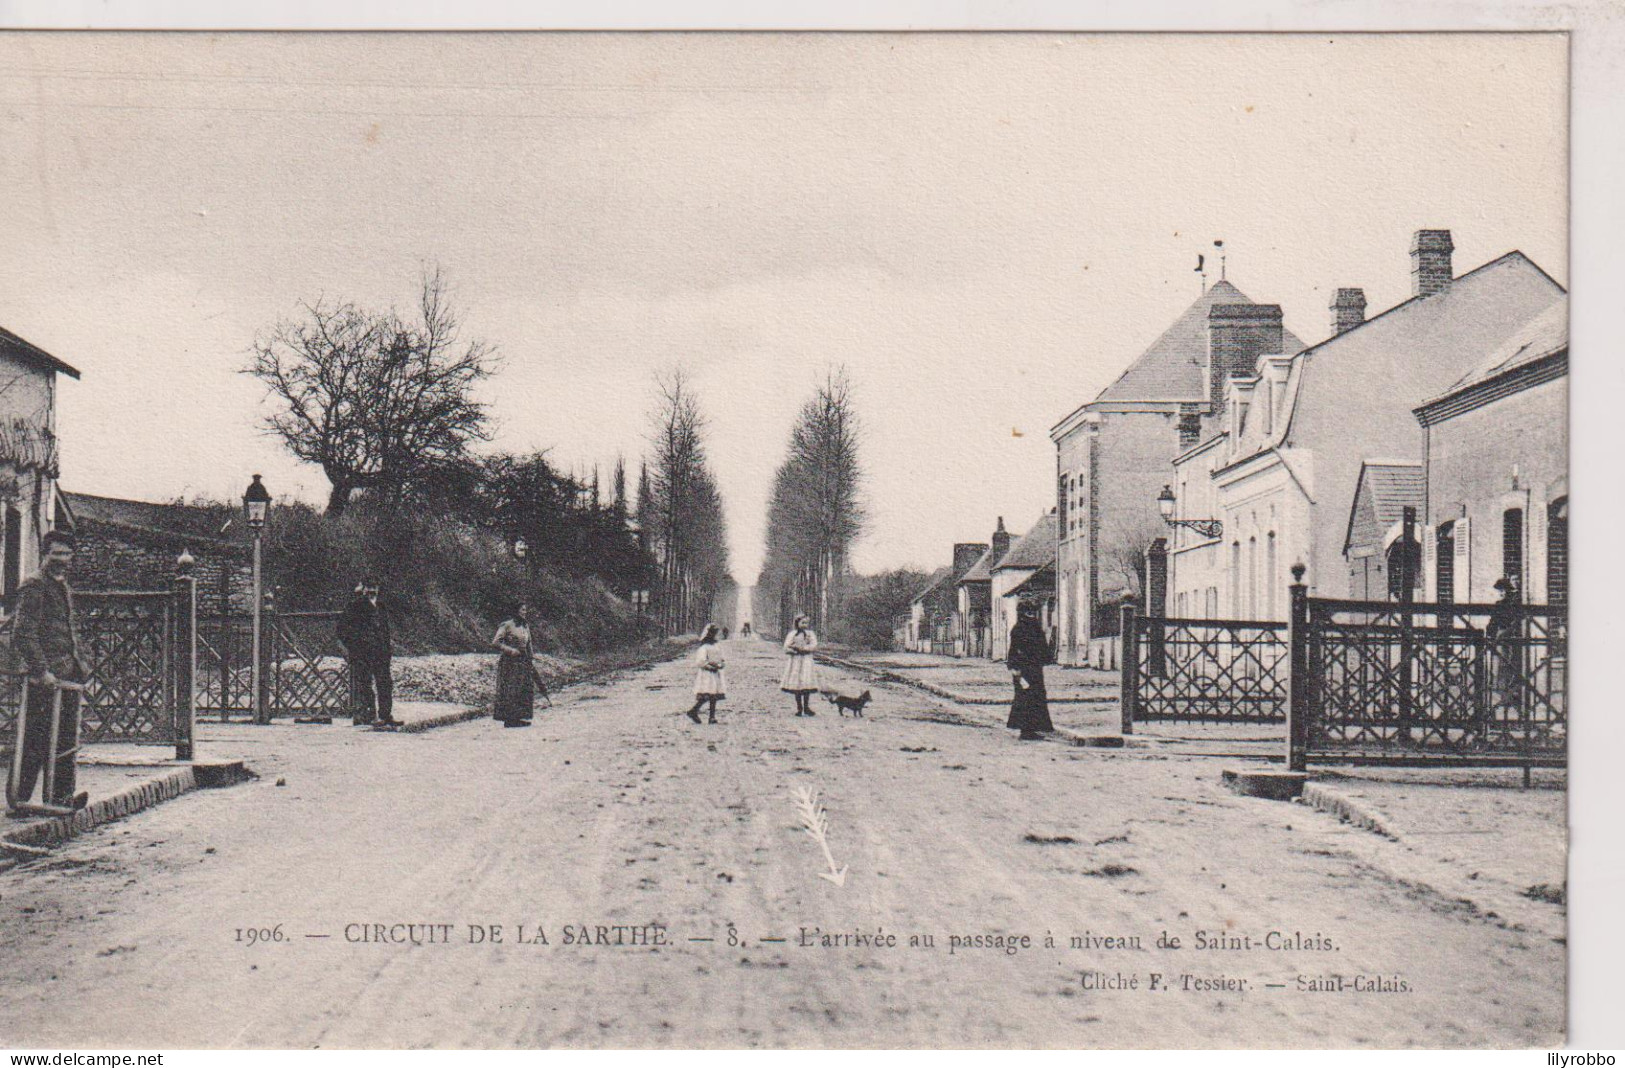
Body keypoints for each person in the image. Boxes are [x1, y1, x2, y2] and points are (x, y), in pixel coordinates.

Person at [10, 529, 89, 811]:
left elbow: (67, 631)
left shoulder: (62, 587)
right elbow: (23, 633)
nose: (62, 559)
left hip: (66, 674)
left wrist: (80, 666)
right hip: (43, 677)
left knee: (66, 737)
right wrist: (41, 670)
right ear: (45, 554)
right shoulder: (34, 585)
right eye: (56, 553)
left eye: (67, 554)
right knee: (35, 737)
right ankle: (19, 798)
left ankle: (61, 797)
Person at [337, 577, 398, 727]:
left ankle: (385, 715)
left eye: (374, 587)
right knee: (365, 684)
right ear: (363, 589)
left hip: (381, 653)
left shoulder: (381, 606)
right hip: (363, 653)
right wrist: (353, 646)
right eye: (369, 587)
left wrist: (387, 648)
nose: (372, 591)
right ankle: (370, 716)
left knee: (385, 683)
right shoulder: (355, 606)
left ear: (378, 589)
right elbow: (342, 629)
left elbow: (385, 630)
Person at [1006, 599, 1055, 741]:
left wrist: (1044, 657)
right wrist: (1015, 668)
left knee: (1034, 697)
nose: (1031, 614)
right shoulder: (1021, 628)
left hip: (1032, 668)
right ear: (1022, 613)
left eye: (1032, 611)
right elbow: (1014, 650)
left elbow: (1042, 647)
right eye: (1028, 611)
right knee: (1026, 698)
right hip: (1024, 669)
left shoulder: (1030, 627)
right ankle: (1026, 730)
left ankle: (1031, 729)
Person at [492, 602, 536, 728]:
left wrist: (531, 657)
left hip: (523, 661)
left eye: (525, 610)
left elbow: (529, 643)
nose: (525, 612)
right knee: (511, 689)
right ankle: (509, 719)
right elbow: (495, 642)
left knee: (523, 688)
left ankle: (519, 717)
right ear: (516, 611)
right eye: (522, 610)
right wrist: (511, 651)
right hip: (509, 662)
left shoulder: (525, 626)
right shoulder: (507, 625)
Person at [1485, 576, 1522, 716]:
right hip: (1499, 638)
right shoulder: (1499, 604)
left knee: (1505, 667)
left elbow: (1513, 622)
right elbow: (1492, 623)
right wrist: (1491, 636)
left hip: (1506, 637)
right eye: (1500, 590)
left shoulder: (1511, 604)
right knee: (1498, 668)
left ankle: (1506, 697)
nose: (1502, 593)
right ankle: (1502, 697)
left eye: (1504, 590)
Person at [685, 623, 726, 724]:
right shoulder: (704, 647)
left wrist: (721, 664)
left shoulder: (716, 646)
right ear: (709, 634)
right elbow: (700, 661)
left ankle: (710, 717)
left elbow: (720, 658)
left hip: (714, 673)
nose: (715, 636)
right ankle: (694, 711)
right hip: (706, 674)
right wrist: (710, 666)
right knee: (707, 695)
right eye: (713, 633)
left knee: (713, 695)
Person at [781, 615, 821, 716]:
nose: (804, 625)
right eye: (802, 623)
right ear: (797, 623)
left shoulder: (810, 634)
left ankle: (807, 707)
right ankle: (799, 707)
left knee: (806, 683)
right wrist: (793, 650)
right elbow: (786, 647)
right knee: (797, 685)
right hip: (795, 662)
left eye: (806, 623)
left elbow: (814, 645)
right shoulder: (792, 634)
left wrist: (804, 648)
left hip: (806, 661)